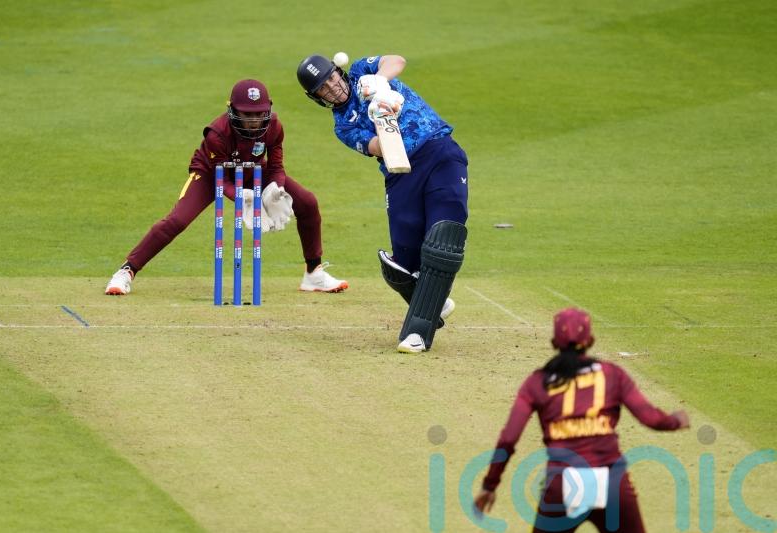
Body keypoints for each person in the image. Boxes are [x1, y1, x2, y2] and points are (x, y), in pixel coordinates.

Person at [105, 79, 348, 297]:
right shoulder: (217, 134)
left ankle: (314, 273)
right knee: (177, 220)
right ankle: (127, 270)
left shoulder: (274, 127)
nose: (254, 120)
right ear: (232, 110)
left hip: (252, 168)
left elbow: (276, 167)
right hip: (210, 173)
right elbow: (223, 180)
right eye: (247, 114)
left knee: (307, 202)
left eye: (259, 114)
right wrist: (244, 199)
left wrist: (276, 191)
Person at [296, 54, 468, 353]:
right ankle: (435, 302)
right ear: (317, 97)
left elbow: (396, 60)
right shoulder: (343, 127)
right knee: (401, 267)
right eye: (323, 87)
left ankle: (417, 334)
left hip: (438, 150)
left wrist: (380, 82)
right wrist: (381, 116)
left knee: (443, 238)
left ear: (339, 72)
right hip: (400, 171)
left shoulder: (362, 70)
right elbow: (377, 147)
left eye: (332, 78)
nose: (332, 87)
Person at [473, 308, 690, 532]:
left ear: (553, 342)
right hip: (612, 484)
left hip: (561, 486)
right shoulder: (612, 374)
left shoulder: (537, 382)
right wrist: (675, 420)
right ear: (591, 340)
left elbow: (508, 439)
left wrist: (490, 485)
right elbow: (650, 418)